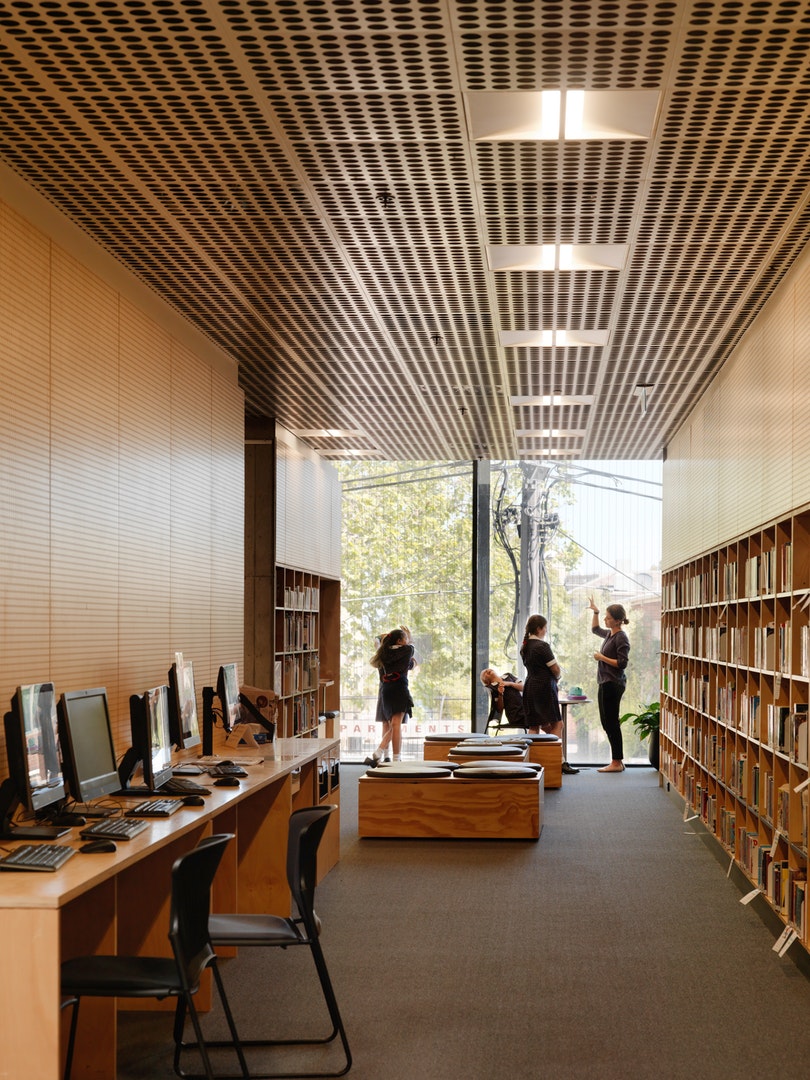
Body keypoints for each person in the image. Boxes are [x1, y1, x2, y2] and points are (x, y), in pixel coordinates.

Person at [589, 596, 631, 773]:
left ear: (618, 620)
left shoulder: (621, 637)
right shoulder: (609, 634)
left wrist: (601, 657)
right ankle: (617, 760)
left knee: (611, 722)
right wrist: (596, 612)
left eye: (607, 617)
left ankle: (616, 761)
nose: (605, 620)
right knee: (606, 722)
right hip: (605, 682)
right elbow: (594, 629)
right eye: (605, 616)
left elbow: (622, 663)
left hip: (613, 683)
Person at [365, 626, 416, 765]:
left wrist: (382, 641)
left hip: (386, 690)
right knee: (396, 724)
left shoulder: (383, 653)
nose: (407, 640)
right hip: (400, 689)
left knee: (391, 724)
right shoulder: (407, 650)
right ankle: (391, 756)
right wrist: (410, 639)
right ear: (400, 641)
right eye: (405, 637)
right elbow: (411, 654)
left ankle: (383, 753)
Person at [519, 614, 563, 736]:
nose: (546, 630)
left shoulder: (525, 647)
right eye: (545, 628)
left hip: (530, 687)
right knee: (558, 724)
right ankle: (554, 755)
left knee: (534, 725)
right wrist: (557, 678)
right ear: (539, 629)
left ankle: (533, 754)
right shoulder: (542, 646)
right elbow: (555, 669)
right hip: (545, 688)